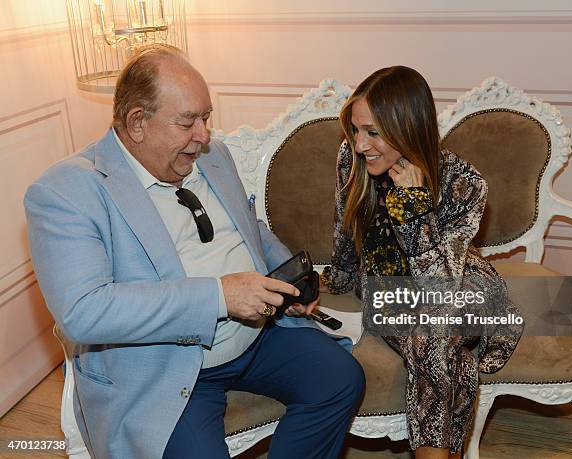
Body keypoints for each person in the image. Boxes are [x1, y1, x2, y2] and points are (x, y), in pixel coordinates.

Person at [24, 44, 365, 459]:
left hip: (256, 337)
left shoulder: (211, 155)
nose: (204, 136)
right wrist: (221, 295)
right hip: (164, 364)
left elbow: (249, 228)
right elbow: (84, 311)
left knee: (340, 379)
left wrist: (284, 278)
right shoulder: (68, 191)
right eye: (188, 122)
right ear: (137, 123)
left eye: (206, 118)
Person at [320, 66, 522, 459]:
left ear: (408, 128)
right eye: (356, 130)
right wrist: (341, 276)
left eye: (373, 132)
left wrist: (413, 210)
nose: (360, 144)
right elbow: (344, 224)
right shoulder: (352, 157)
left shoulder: (464, 182)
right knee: (445, 346)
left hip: (460, 283)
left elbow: (441, 286)